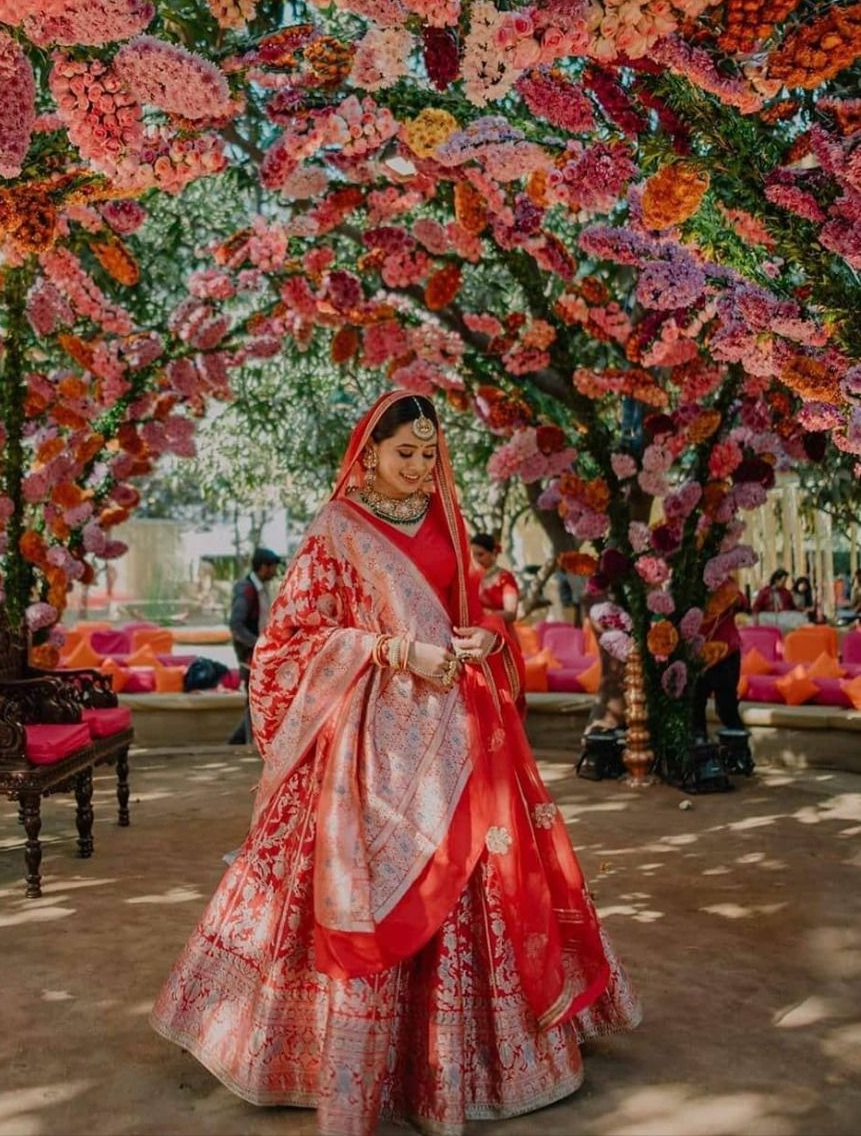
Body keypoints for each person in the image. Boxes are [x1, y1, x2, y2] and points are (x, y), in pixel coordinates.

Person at [152, 392, 640, 1135]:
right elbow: (285, 645)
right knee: (353, 889)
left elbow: (468, 613)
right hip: (361, 750)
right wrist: (387, 650)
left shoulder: (443, 522)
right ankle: (330, 1062)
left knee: (477, 879)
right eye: (403, 454)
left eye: (427, 454)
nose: (418, 468)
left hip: (455, 729)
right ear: (368, 452)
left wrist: (485, 641)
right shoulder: (335, 533)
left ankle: (464, 1065)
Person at [227, 545, 281, 745]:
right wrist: (257, 644)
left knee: (259, 698)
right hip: (250, 655)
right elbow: (236, 625)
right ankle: (249, 744)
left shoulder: (262, 589)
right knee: (254, 699)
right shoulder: (246, 590)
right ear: (264, 567)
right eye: (274, 567)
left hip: (262, 653)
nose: (275, 572)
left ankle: (236, 742)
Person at [470, 531, 526, 712]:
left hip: (502, 639)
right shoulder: (470, 577)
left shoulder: (505, 578)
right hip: (477, 638)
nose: (477, 558)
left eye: (481, 554)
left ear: (494, 553)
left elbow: (511, 612)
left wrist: (483, 615)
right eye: (473, 554)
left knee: (506, 689)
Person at [693, 576, 748, 743]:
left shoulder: (722, 577)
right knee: (695, 707)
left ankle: (739, 753)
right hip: (697, 655)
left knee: (726, 708)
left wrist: (729, 598)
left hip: (726, 653)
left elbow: (742, 602)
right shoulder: (686, 581)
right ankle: (700, 752)